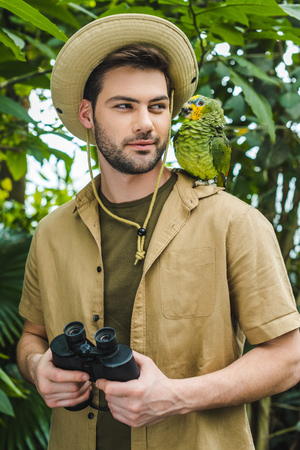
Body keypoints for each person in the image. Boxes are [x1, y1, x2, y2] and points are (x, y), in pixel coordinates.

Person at [17, 13, 300, 450]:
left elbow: (288, 358)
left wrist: (177, 397)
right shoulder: (52, 232)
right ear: (88, 114)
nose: (146, 124)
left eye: (158, 106)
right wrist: (38, 368)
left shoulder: (234, 223)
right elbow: (31, 336)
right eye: (125, 106)